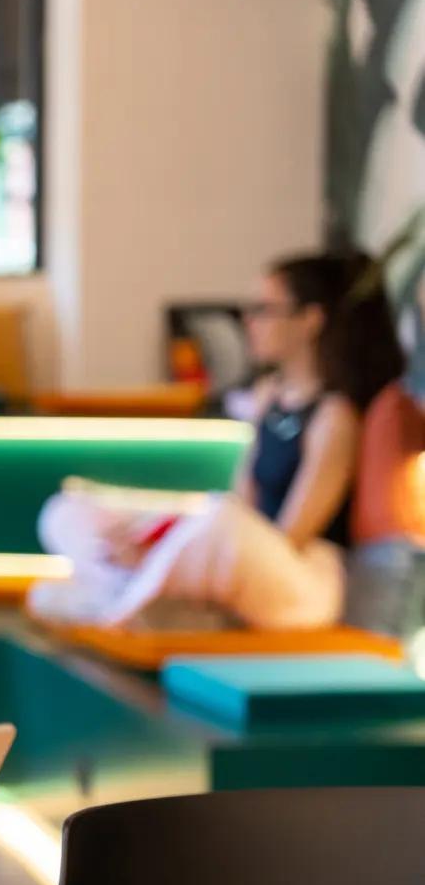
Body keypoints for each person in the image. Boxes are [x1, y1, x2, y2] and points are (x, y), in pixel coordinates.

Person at [32, 251, 404, 630]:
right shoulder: (269, 396)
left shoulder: (334, 416)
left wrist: (172, 543)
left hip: (301, 577)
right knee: (69, 510)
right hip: (244, 553)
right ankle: (147, 594)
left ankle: (119, 609)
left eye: (264, 309)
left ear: (310, 319)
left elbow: (288, 537)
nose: (249, 322)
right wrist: (152, 536)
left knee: (218, 519)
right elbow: (243, 500)